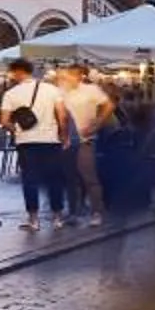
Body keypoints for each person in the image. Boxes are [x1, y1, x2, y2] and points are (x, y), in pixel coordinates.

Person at [0, 57, 75, 231]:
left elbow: (4, 121)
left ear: (18, 72)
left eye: (12, 72)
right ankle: (57, 218)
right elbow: (62, 116)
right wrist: (64, 136)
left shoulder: (11, 94)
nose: (11, 76)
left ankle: (34, 220)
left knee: (30, 180)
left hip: (26, 142)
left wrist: (16, 130)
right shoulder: (52, 90)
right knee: (55, 179)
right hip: (50, 141)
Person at [60, 62, 115, 224]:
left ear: (81, 76)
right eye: (68, 74)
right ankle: (73, 212)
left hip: (85, 140)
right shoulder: (61, 91)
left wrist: (97, 123)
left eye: (72, 74)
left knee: (89, 177)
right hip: (66, 141)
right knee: (70, 179)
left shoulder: (91, 90)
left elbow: (109, 105)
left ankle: (97, 212)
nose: (68, 77)